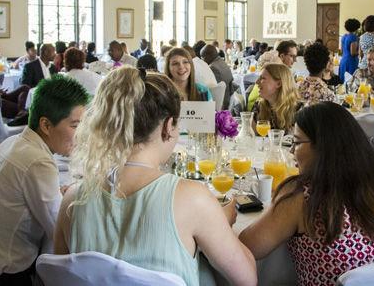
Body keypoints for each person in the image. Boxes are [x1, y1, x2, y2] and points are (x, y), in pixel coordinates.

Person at [54, 68, 256, 285]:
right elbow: (247, 279)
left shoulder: (73, 199)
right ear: (169, 126)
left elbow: (60, 276)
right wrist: (219, 223)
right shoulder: (193, 199)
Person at [240, 102, 374, 286]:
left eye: (296, 143)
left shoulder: (304, 195)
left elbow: (246, 248)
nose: (291, 151)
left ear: (322, 146)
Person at [0, 76, 89, 285]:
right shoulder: (37, 161)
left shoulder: (13, 142)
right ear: (45, 125)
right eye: (75, 125)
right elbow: (60, 230)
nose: (81, 134)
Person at [252, 63, 300, 133]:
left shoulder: (298, 110)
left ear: (278, 84)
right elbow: (251, 136)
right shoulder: (259, 106)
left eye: (262, 78)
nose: (257, 82)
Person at [201, 44, 234, 109]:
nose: (202, 60)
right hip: (229, 99)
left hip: (221, 105)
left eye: (202, 57)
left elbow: (213, 91)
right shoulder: (222, 62)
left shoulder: (212, 67)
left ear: (209, 56)